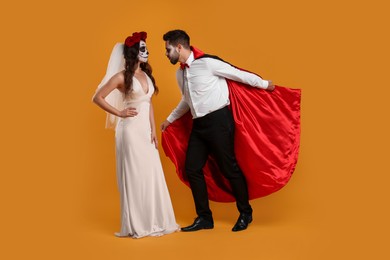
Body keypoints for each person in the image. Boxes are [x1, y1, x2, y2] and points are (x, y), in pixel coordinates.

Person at [160, 30, 277, 232]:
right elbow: (187, 100)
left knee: (229, 168)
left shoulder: (207, 63)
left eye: (167, 49)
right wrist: (169, 120)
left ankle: (245, 213)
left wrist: (265, 84)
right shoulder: (180, 73)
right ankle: (205, 218)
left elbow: (239, 75)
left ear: (179, 47)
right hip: (199, 126)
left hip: (218, 122)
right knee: (192, 168)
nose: (166, 54)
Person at [93, 31, 179, 238]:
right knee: (134, 175)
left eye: (147, 48)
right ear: (133, 52)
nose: (147, 52)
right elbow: (98, 97)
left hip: (145, 132)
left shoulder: (147, 75)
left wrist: (152, 131)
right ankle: (137, 224)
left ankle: (155, 220)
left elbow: (148, 104)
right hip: (129, 131)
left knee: (150, 174)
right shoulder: (121, 76)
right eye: (143, 49)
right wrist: (120, 112)